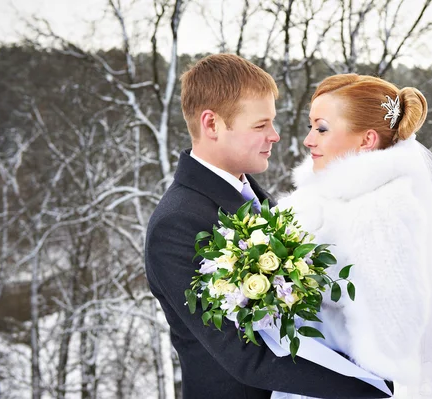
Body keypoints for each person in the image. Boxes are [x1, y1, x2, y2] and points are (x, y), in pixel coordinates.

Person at [144, 55, 392, 399]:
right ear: (212, 124)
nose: (274, 136)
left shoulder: (255, 197)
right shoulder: (177, 224)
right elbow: (246, 357)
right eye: (260, 126)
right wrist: (371, 390)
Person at [278, 74, 432, 398]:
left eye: (321, 128)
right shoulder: (317, 199)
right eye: (310, 126)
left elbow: (394, 330)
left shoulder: (382, 211)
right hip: (300, 381)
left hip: (343, 387)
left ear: (367, 140)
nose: (308, 140)